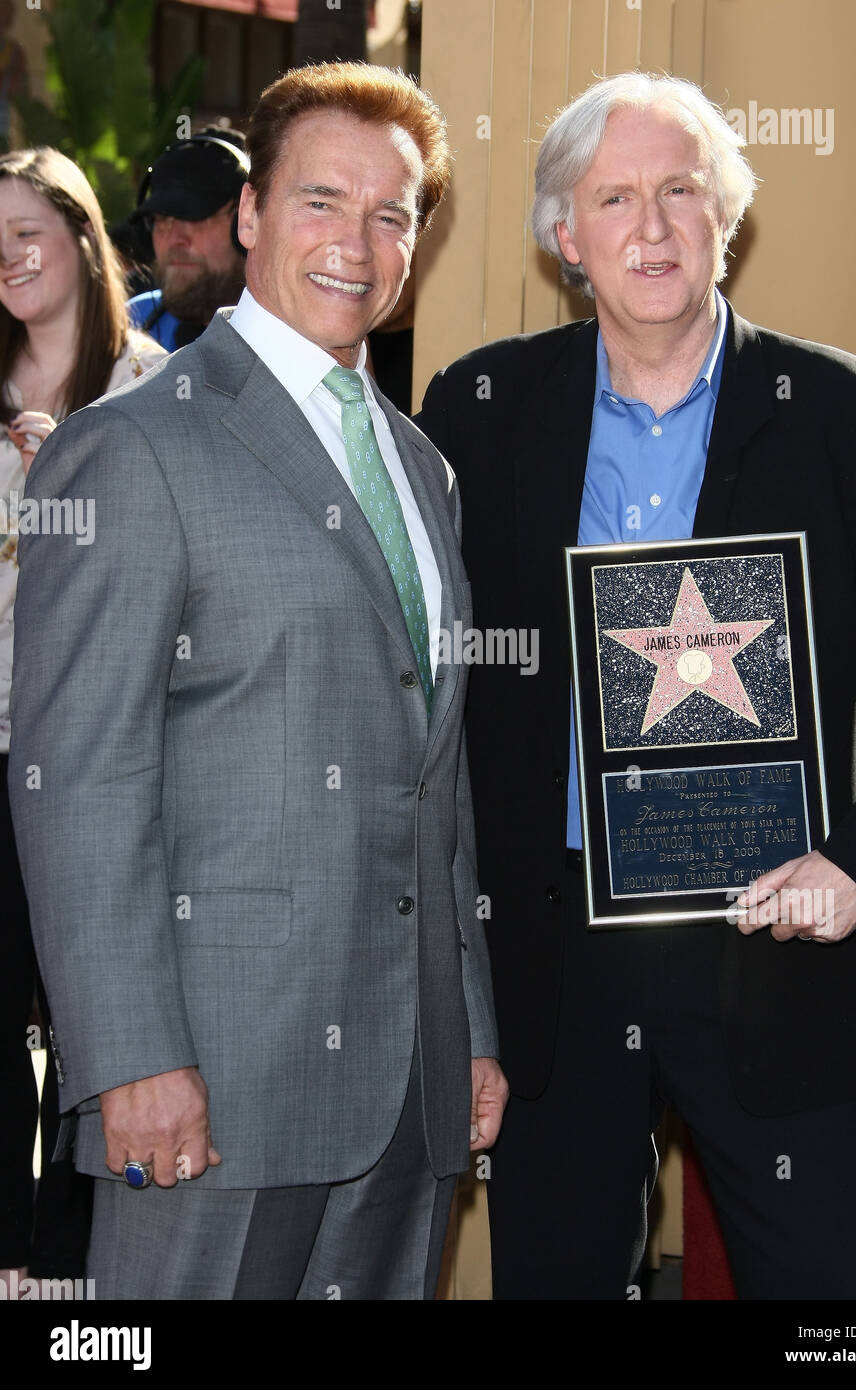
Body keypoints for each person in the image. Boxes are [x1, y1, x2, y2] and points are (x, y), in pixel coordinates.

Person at [416, 72, 856, 1300]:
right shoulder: (481, 410)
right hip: (554, 961)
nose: (652, 227)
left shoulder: (836, 410)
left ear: (728, 215)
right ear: (568, 236)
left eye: (681, 191)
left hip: (776, 940)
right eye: (614, 197)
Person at [9, 62, 506, 1302]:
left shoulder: (424, 468)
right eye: (322, 201)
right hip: (213, 1082)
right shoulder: (129, 446)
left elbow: (435, 784)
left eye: (393, 215)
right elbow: (79, 776)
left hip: (407, 1090)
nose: (358, 242)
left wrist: (472, 1033)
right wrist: (127, 1057)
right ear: (250, 216)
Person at [0, 145, 165, 1294]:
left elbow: (184, 576)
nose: (6, 253)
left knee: (95, 1017)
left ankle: (73, 1269)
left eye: (25, 227)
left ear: (81, 241)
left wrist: (78, 485)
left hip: (106, 759)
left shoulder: (156, 390)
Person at [125, 127, 249, 350]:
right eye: (161, 219)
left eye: (194, 217)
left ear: (246, 220)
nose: (175, 239)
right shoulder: (131, 324)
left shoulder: (304, 336)